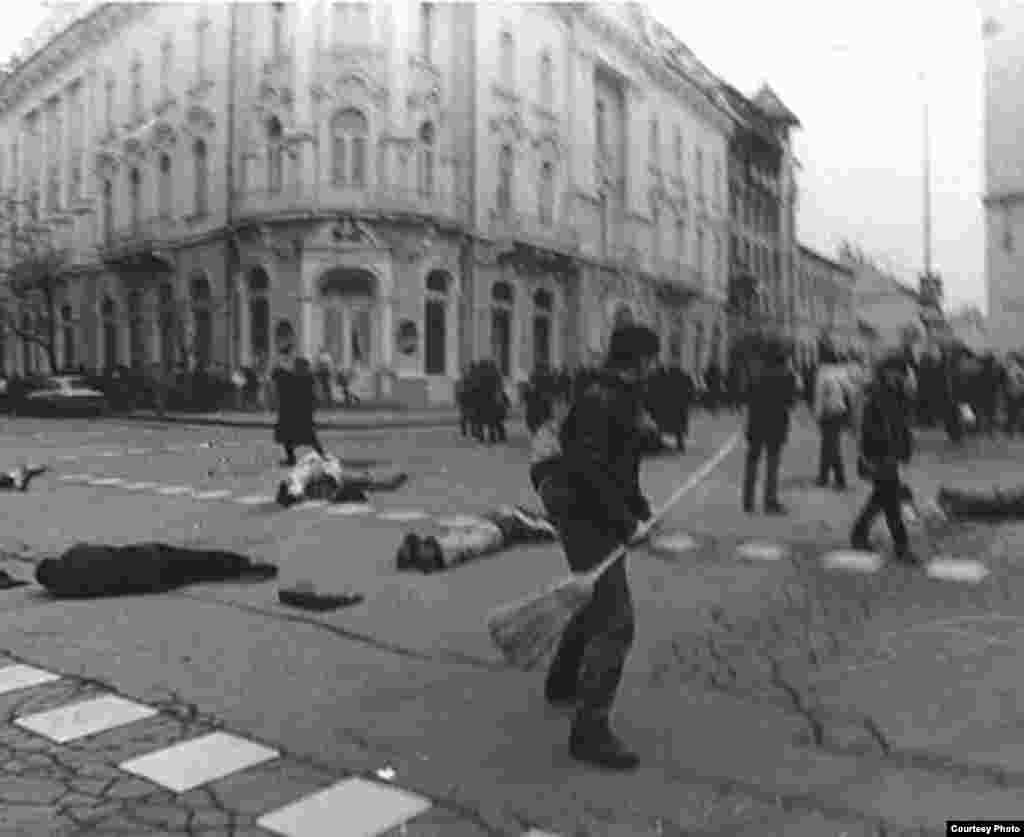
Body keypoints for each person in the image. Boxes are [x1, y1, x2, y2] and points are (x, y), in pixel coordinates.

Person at [539, 323, 659, 771]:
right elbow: (590, 470)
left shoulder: (610, 394)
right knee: (616, 622)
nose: (654, 368)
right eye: (651, 360)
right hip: (585, 516)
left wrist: (638, 506)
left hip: (590, 512)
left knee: (594, 599)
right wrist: (626, 521)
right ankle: (590, 731)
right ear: (641, 360)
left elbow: (617, 467)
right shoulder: (604, 398)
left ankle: (562, 681)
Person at [850, 353, 917, 563]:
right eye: (898, 373)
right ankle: (901, 546)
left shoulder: (896, 394)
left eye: (903, 374)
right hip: (881, 455)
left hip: (890, 455)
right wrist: (871, 455)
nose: (901, 377)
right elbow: (868, 429)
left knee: (881, 498)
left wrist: (904, 450)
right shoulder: (877, 395)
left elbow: (902, 427)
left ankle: (859, 534)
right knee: (891, 502)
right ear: (887, 373)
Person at [35, 543, 278, 599]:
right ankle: (243, 562)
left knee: (199, 572)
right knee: (201, 558)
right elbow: (105, 550)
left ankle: (241, 570)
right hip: (147, 556)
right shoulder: (75, 554)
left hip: (152, 581)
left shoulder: (72, 590)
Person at [395, 506, 557, 573]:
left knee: (512, 515)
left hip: (488, 532)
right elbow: (477, 535)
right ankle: (556, 528)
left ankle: (550, 526)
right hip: (493, 532)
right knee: (516, 515)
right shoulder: (445, 549)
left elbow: (465, 528)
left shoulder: (443, 545)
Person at [742, 337, 797, 515]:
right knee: (772, 464)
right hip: (776, 424)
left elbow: (747, 396)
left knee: (752, 461)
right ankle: (770, 501)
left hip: (756, 422)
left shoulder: (755, 372)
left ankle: (748, 501)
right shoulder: (787, 375)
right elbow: (791, 402)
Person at [276, 452, 408, 507]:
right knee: (360, 484)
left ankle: (386, 483)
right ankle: (385, 483)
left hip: (330, 479)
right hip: (327, 481)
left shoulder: (309, 486)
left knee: (362, 483)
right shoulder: (304, 491)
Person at [272, 351, 327, 466]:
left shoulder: (291, 377)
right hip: (302, 415)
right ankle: (322, 456)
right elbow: (314, 397)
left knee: (289, 438)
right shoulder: (308, 378)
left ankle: (292, 459)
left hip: (291, 415)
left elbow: (276, 374)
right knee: (310, 438)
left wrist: (279, 361)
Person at [814, 345, 852, 490]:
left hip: (827, 412)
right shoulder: (842, 372)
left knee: (830, 445)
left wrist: (817, 415)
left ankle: (838, 478)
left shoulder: (822, 374)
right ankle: (825, 476)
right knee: (831, 444)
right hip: (840, 411)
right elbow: (850, 390)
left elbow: (818, 396)